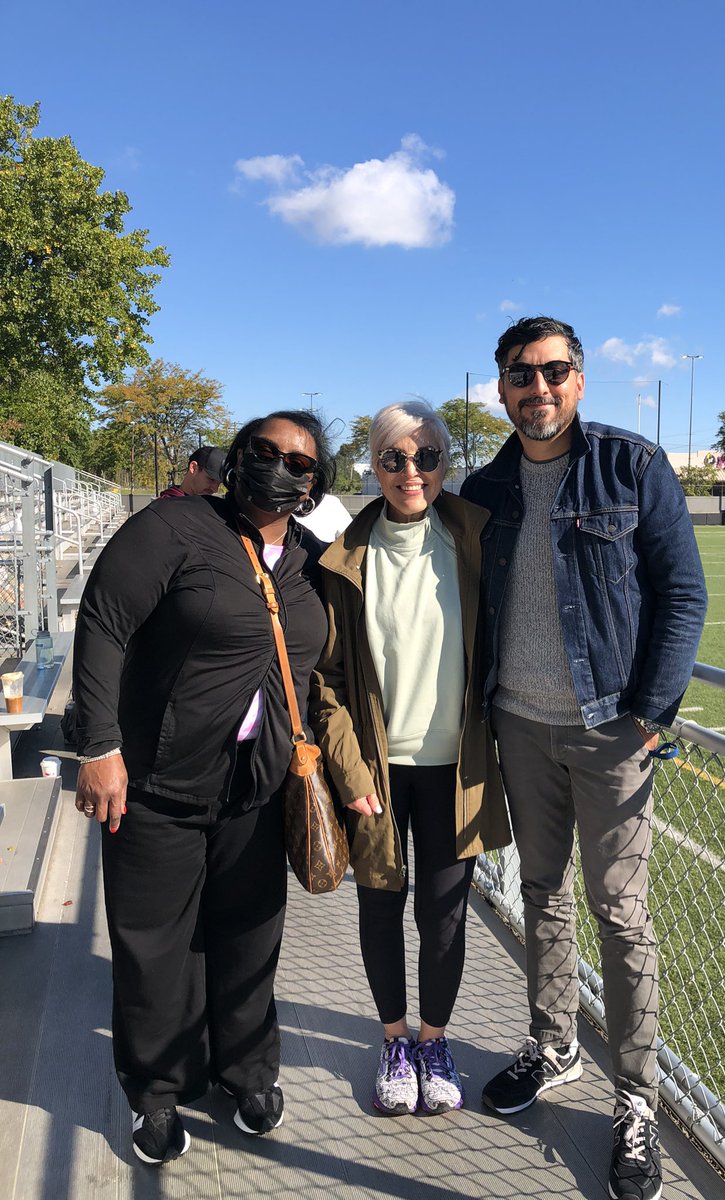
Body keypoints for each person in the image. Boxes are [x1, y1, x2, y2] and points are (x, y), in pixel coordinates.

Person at [460, 316, 707, 1200]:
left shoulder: (632, 466)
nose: (539, 388)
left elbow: (683, 592)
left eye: (554, 371)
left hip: (611, 731)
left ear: (580, 377)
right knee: (541, 894)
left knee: (621, 912)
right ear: (501, 388)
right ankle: (554, 1042)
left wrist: (648, 715)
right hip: (518, 725)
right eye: (522, 375)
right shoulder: (484, 486)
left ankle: (635, 1100)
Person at [73, 411, 334, 1165]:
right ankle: (156, 1090)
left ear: (317, 481)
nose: (283, 469)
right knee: (156, 946)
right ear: (236, 456)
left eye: (301, 463)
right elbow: (103, 625)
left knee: (250, 938)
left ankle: (247, 1070)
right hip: (156, 783)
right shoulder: (174, 528)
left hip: (256, 789)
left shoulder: (310, 562)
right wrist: (99, 746)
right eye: (267, 452)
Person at [309, 400, 511, 1118]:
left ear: (445, 464)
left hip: (459, 768)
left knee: (446, 916)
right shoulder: (344, 556)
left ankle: (434, 1041)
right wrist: (352, 772)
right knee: (380, 906)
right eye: (394, 457)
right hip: (376, 772)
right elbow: (326, 680)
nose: (410, 471)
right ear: (374, 464)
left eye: (426, 456)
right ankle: (394, 1040)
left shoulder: (478, 538)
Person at [158, 444, 226, 498]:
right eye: (211, 479)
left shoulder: (213, 508)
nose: (215, 489)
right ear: (193, 468)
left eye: (219, 483)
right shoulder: (163, 508)